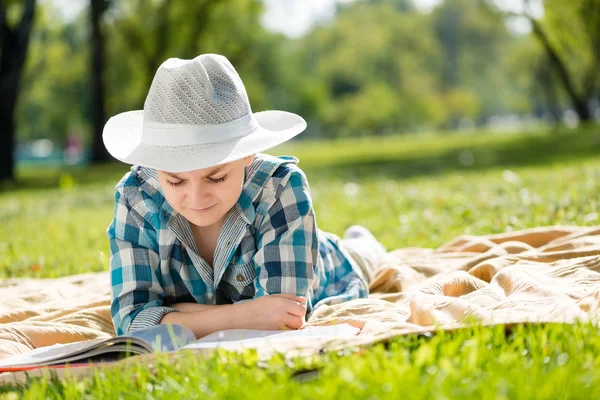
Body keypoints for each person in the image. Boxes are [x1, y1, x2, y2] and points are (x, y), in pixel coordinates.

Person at [103, 54, 387, 338]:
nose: (197, 197)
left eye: (216, 177)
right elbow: (131, 321)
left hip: (331, 267)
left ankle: (363, 242)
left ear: (248, 152)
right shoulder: (136, 197)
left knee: (364, 256)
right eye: (175, 181)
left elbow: (282, 317)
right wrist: (242, 314)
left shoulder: (281, 187)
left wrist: (174, 314)